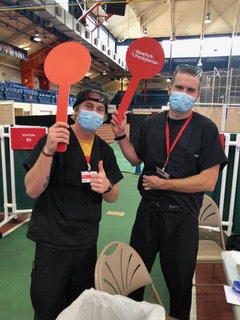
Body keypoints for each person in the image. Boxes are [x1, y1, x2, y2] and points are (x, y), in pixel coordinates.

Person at [110, 64, 228, 320]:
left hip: (182, 218)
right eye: (179, 87)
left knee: (180, 285)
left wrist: (164, 184)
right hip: (147, 214)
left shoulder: (205, 129)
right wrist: (121, 137)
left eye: (190, 90)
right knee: (134, 278)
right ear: (169, 88)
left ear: (197, 96)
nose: (184, 93)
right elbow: (134, 159)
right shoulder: (152, 124)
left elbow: (208, 182)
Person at [24, 81, 123, 320]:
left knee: (80, 307)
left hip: (86, 243)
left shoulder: (104, 150)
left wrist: (106, 186)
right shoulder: (55, 141)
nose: (95, 113)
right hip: (53, 241)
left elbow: (114, 195)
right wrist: (47, 151)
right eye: (89, 107)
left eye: (100, 110)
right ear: (76, 110)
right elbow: (32, 190)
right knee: (47, 307)